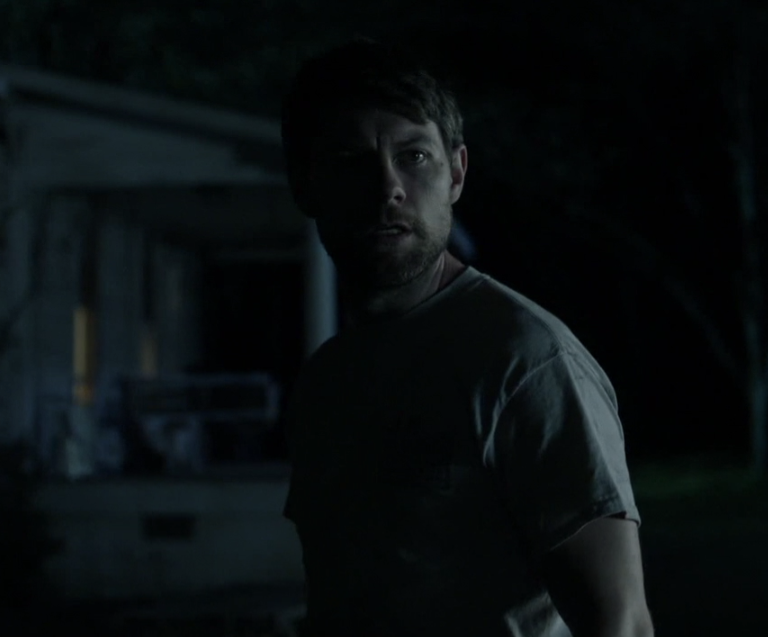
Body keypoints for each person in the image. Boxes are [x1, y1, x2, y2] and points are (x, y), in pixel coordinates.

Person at [280, 38, 654, 637]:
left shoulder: (524, 360)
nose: (387, 187)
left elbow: (622, 623)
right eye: (351, 159)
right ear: (304, 183)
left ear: (456, 173)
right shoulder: (326, 379)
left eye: (414, 156)